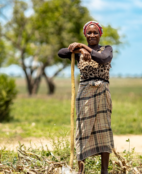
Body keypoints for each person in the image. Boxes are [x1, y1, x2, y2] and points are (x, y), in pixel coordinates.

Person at [57, 21, 114, 174]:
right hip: (85, 93)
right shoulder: (79, 52)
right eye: (89, 33)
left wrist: (83, 46)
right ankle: (81, 170)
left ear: (100, 34)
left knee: (103, 129)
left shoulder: (106, 49)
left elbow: (102, 59)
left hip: (102, 92)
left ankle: (104, 171)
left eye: (95, 32)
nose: (92, 35)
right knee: (83, 130)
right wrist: (78, 49)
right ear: (85, 34)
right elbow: (61, 53)